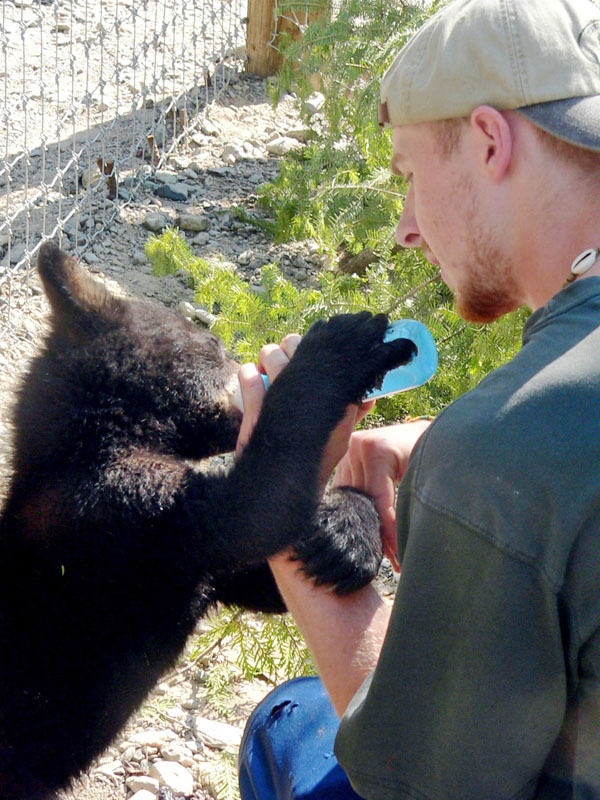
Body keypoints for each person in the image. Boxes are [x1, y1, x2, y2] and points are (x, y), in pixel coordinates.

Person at [237, 0, 600, 797]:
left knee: (292, 728)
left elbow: (412, 783)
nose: (405, 226)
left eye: (408, 174)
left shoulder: (503, 455)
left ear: (488, 140)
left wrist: (277, 499)